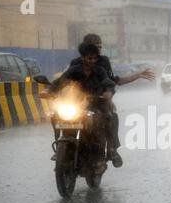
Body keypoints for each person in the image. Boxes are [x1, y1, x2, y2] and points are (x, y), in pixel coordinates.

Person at [69, 34, 156, 167]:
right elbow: (66, 81)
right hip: (78, 101)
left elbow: (113, 81)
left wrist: (136, 76)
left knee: (110, 116)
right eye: (95, 46)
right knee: (58, 116)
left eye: (99, 46)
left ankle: (111, 149)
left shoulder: (103, 62)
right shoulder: (75, 63)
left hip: (99, 100)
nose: (98, 49)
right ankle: (62, 146)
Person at [48, 42, 120, 168]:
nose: (92, 61)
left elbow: (109, 84)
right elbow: (61, 81)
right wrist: (50, 91)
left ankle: (108, 152)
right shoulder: (74, 70)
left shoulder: (100, 71)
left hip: (96, 104)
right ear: (83, 57)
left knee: (105, 120)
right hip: (77, 105)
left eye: (94, 58)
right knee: (56, 115)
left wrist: (108, 92)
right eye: (89, 58)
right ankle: (60, 147)